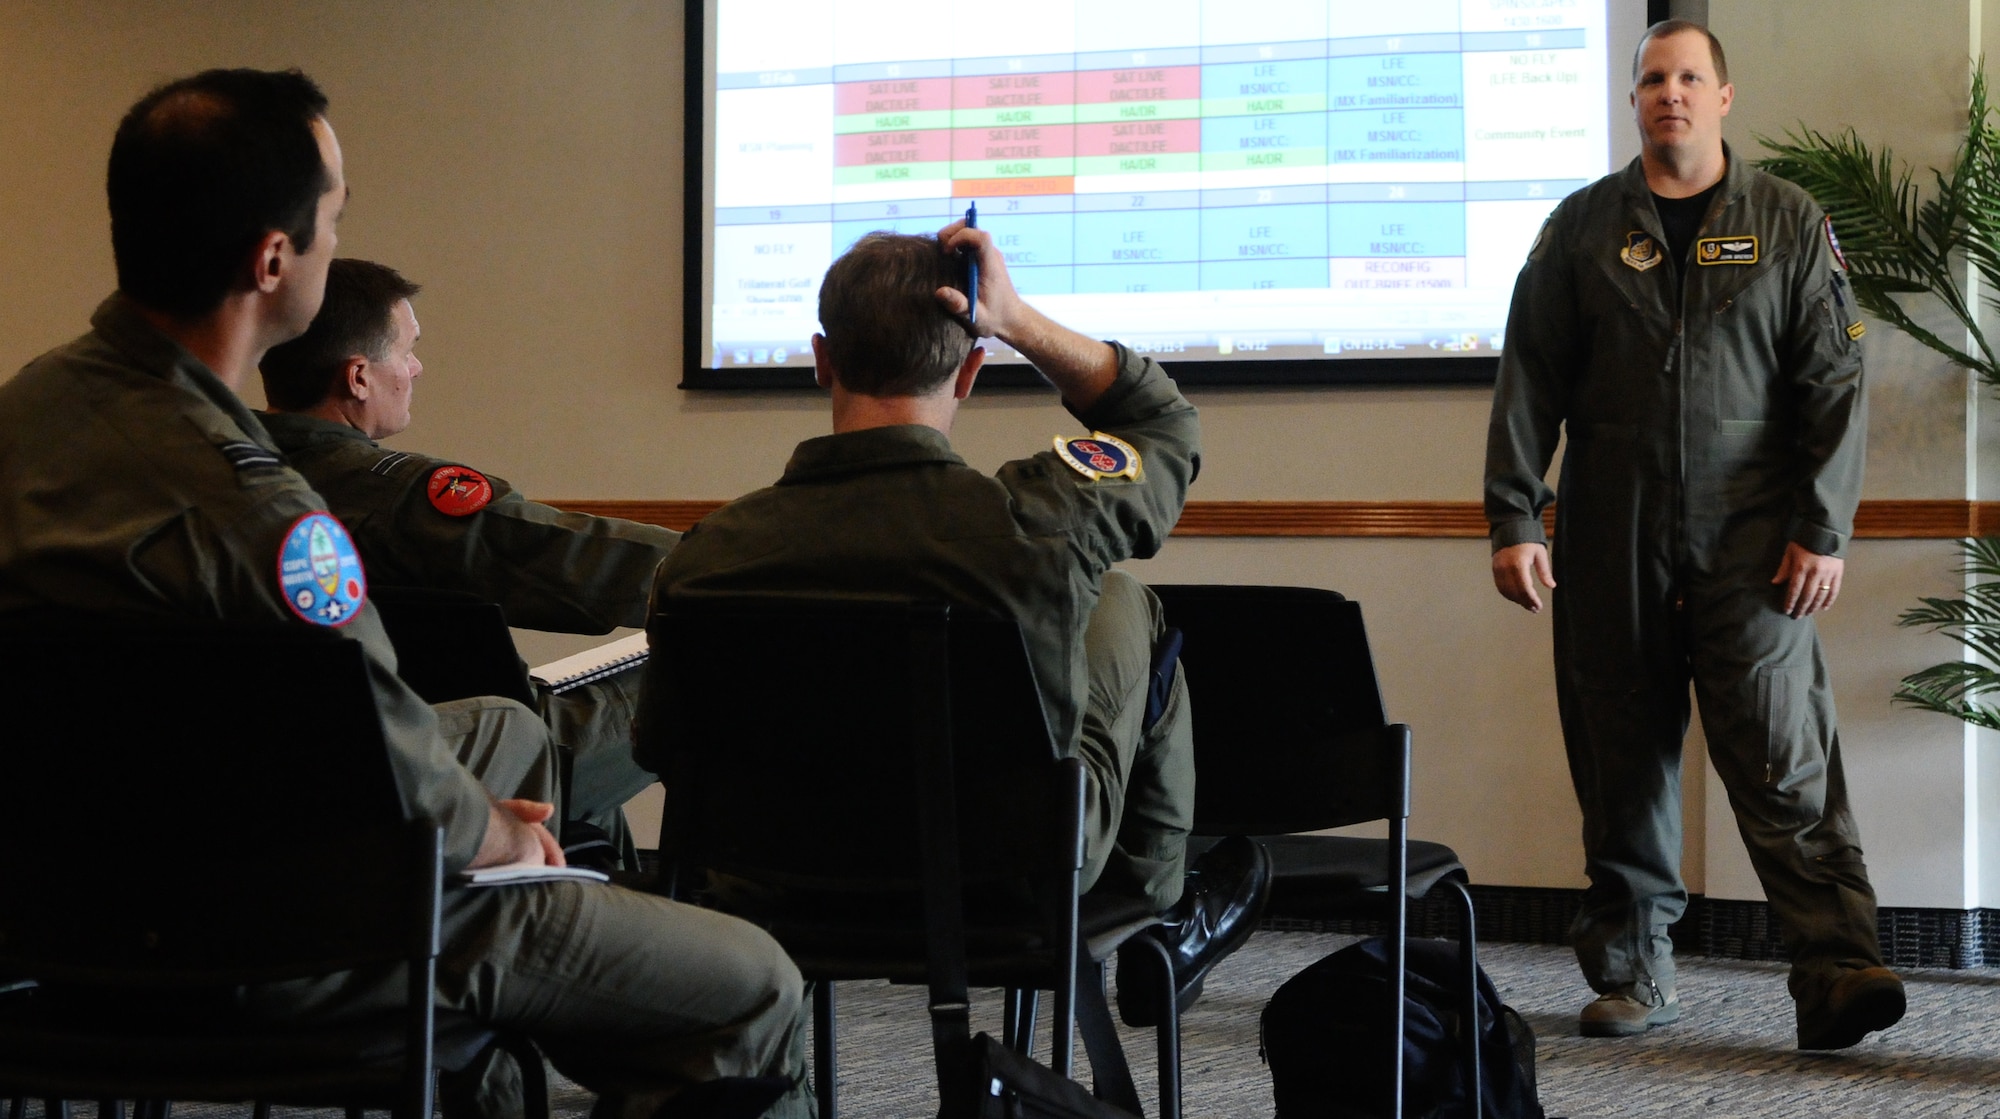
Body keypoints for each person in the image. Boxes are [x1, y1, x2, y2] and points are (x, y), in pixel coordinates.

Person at [0, 68, 810, 1118]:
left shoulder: (33, 414)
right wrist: (508, 840)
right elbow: (409, 786)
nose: (339, 243)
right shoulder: (260, 520)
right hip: (279, 930)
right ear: (272, 259)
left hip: (60, 902)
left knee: (496, 732)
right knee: (751, 986)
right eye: (335, 220)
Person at [650, 225, 1270, 1027]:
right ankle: (1161, 901)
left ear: (821, 359)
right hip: (1010, 874)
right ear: (971, 368)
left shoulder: (704, 559)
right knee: (1122, 602)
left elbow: (663, 751)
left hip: (768, 885)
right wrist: (1015, 320)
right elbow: (1161, 423)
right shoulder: (1038, 525)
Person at [1483, 21, 1900, 1049]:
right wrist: (1510, 514)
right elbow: (1527, 377)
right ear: (1632, 100)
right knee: (1621, 760)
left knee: (1779, 755)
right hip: (1608, 528)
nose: (1666, 93)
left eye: (1685, 78)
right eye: (1648, 79)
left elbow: (1834, 385)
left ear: (1722, 96)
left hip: (1754, 539)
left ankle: (1836, 972)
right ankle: (1632, 973)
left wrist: (1820, 527)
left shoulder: (1789, 222)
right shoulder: (1579, 229)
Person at [258, 257, 674, 869]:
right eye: (406, 351)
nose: (417, 367)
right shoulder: (393, 496)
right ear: (358, 378)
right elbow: (573, 563)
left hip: (316, 776)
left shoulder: (233, 481)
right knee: (718, 651)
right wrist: (738, 562)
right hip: (471, 765)